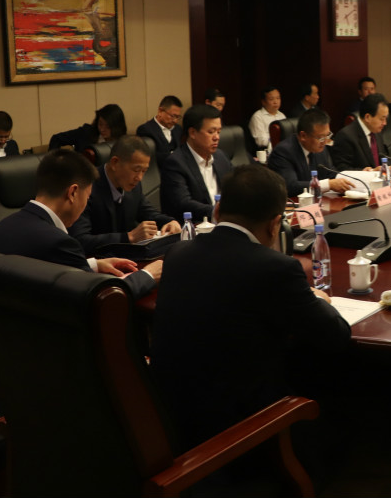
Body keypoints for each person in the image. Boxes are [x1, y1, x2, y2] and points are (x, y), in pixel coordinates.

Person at [150, 164, 350, 449]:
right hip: (242, 426)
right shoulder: (275, 267)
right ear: (275, 224)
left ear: (217, 211)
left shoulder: (177, 253)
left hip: (171, 414)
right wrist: (317, 298)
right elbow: (335, 335)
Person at [0, 148, 160, 299]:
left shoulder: (2, 228)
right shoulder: (59, 242)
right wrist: (148, 275)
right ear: (73, 193)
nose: (85, 204)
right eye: (87, 197)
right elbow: (101, 298)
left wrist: (94, 265)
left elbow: (44, 270)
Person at [69, 135, 181, 254]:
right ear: (115, 163)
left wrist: (169, 222)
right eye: (136, 170)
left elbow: (148, 212)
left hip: (126, 257)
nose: (140, 178)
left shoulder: (133, 185)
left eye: (144, 171)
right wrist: (129, 237)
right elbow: (81, 240)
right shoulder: (86, 187)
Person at [161, 104, 232, 222]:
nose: (217, 137)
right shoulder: (175, 163)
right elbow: (183, 204)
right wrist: (217, 212)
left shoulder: (221, 157)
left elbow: (234, 190)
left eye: (219, 132)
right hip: (193, 227)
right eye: (211, 132)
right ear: (193, 133)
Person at [267, 109, 354, 197]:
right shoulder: (283, 152)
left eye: (327, 135)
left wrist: (354, 177)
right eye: (320, 137)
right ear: (303, 136)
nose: (325, 141)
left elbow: (331, 173)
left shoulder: (320, 148)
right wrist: (328, 184)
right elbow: (290, 186)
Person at [330, 94, 391, 173]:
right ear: (367, 117)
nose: (385, 123)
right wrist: (370, 171)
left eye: (386, 118)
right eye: (382, 119)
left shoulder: (376, 131)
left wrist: (389, 166)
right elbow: (342, 169)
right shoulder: (346, 136)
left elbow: (381, 157)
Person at [49, 104, 127, 151]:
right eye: (100, 124)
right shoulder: (86, 133)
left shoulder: (124, 143)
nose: (102, 129)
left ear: (117, 127)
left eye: (107, 126)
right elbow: (56, 139)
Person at [136, 95, 183, 169]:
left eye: (177, 117)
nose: (175, 121)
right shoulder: (145, 130)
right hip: (158, 171)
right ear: (160, 111)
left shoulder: (178, 129)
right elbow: (150, 157)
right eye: (172, 116)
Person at [248, 85, 286, 152]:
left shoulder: (282, 115)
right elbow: (261, 141)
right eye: (271, 99)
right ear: (263, 102)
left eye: (278, 98)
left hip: (282, 149)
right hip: (266, 151)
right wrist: (279, 139)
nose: (275, 102)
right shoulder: (258, 117)